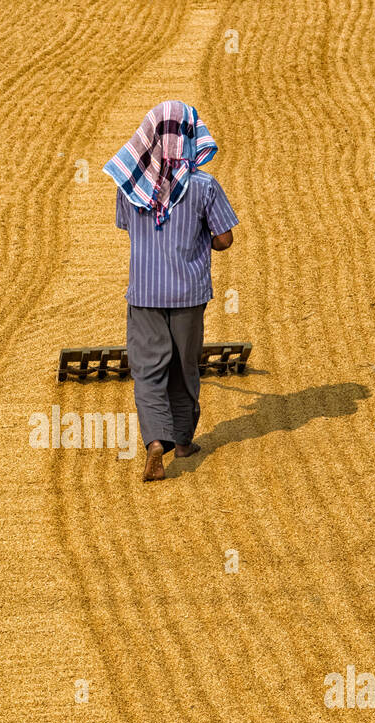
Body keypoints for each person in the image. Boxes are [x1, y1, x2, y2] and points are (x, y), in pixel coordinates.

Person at [104, 100, 238, 481]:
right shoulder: (204, 186)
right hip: (188, 295)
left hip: (144, 293)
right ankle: (182, 440)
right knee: (184, 366)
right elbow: (225, 240)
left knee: (148, 372)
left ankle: (155, 443)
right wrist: (198, 237)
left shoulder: (130, 186)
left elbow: (128, 227)